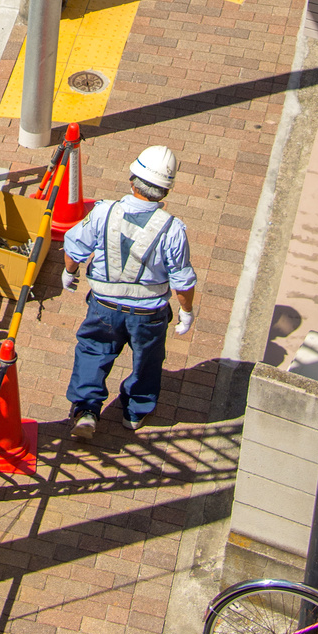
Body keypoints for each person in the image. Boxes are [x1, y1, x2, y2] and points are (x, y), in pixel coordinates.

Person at [61, 145, 197, 437]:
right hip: (149, 312)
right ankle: (135, 412)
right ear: (166, 191)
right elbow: (183, 281)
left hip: (103, 306)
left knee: (93, 351)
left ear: (132, 178)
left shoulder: (103, 212)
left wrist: (69, 273)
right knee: (148, 360)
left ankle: (85, 411)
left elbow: (74, 247)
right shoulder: (173, 229)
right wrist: (186, 312)